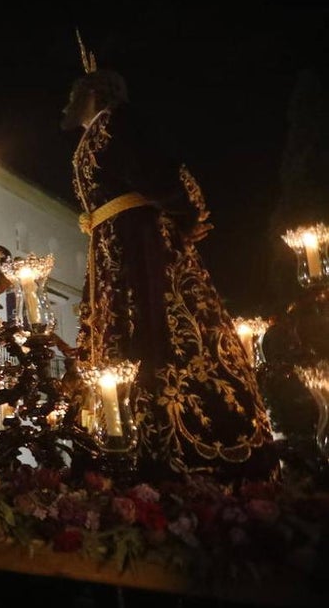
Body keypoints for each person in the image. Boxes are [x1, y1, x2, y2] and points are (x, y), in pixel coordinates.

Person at [61, 39, 272, 475]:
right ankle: (117, 434)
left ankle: (178, 439)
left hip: (140, 249)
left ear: (95, 93)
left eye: (74, 93)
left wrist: (186, 213)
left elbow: (161, 170)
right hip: (109, 253)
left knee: (157, 331)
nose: (67, 102)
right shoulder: (90, 139)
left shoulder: (118, 124)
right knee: (113, 338)